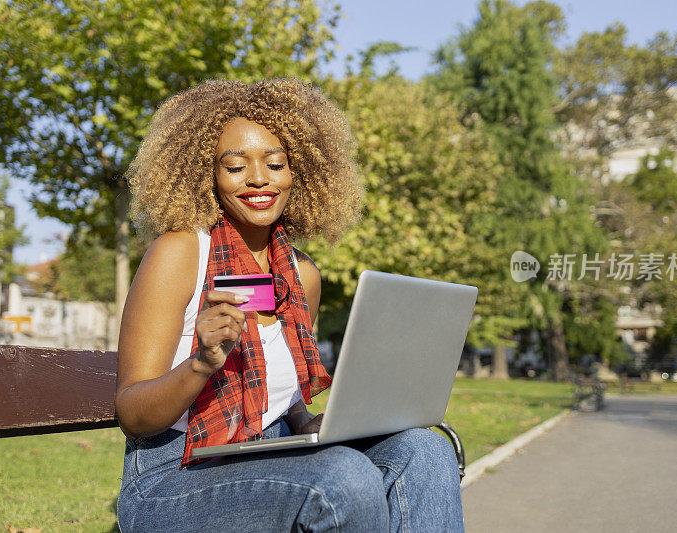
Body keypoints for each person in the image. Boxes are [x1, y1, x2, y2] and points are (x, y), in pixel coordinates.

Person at [115, 78, 464, 532]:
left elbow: (288, 395)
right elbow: (133, 417)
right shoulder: (180, 253)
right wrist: (201, 364)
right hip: (172, 477)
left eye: (274, 163)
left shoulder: (302, 275)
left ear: (298, 172)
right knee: (343, 477)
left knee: (426, 450)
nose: (258, 177)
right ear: (207, 176)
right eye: (235, 166)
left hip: (271, 454)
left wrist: (304, 422)